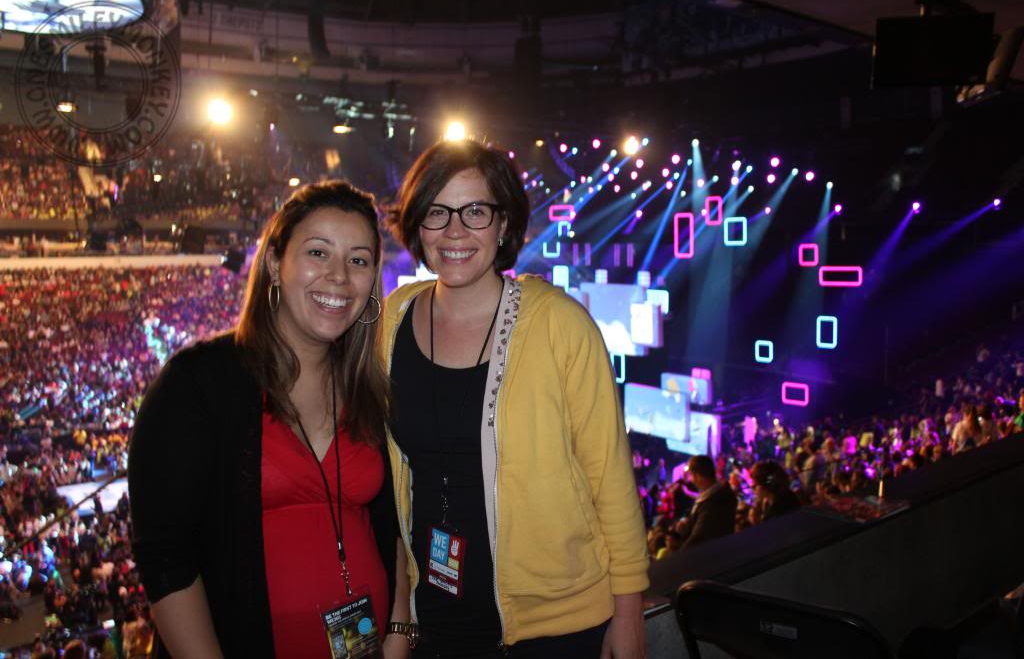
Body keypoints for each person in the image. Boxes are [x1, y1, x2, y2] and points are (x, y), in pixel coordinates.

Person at [384, 139, 649, 657]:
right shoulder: (391, 320)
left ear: (503, 224)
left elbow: (610, 481)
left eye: (475, 211)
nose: (454, 231)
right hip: (436, 616)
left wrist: (629, 616)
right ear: (417, 224)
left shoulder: (558, 323)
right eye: (437, 212)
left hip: (556, 627)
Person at [129, 181, 410, 658]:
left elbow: (393, 527)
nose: (340, 276)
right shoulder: (198, 383)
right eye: (318, 252)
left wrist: (399, 637)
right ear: (276, 264)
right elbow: (166, 559)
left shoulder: (371, 388)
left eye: (358, 260)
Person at [675, 455, 737, 549]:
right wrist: (687, 524)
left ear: (698, 476)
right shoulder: (715, 494)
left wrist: (676, 557)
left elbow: (698, 539)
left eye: (691, 475)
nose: (691, 480)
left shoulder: (713, 502)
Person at [748, 460, 800, 525]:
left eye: (755, 486)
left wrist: (757, 523)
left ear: (767, 485)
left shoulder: (778, 509)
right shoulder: (787, 496)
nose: (753, 489)